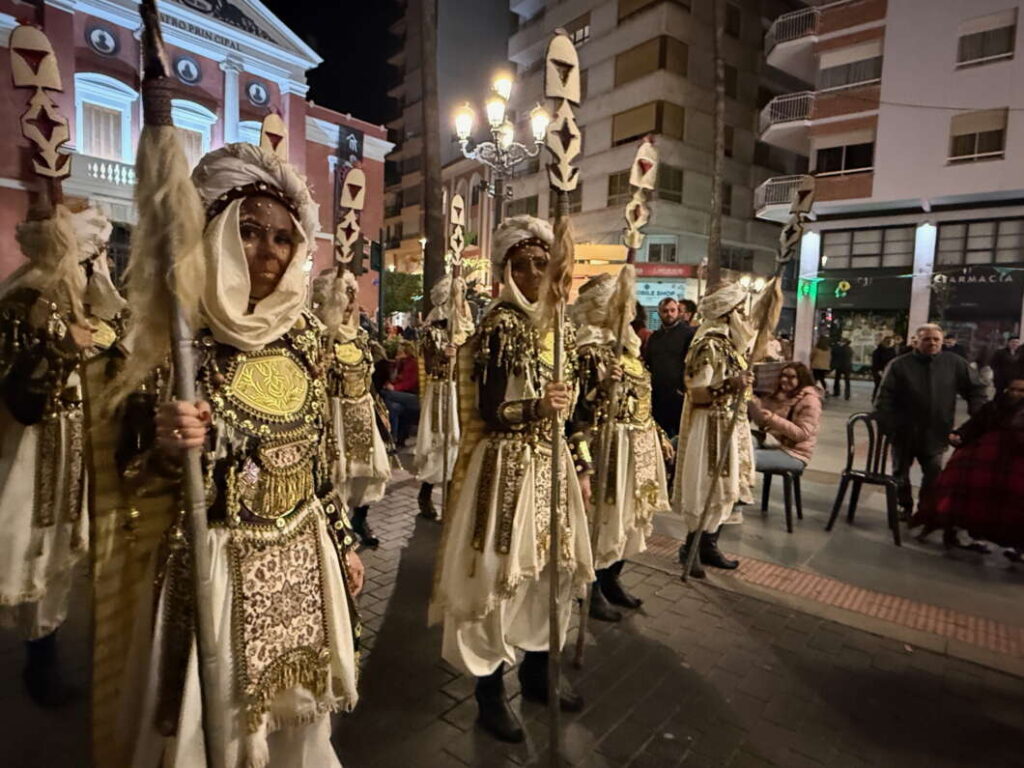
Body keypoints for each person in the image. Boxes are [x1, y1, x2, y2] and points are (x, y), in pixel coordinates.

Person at [122, 143, 363, 767]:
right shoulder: (176, 338)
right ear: (216, 231)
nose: (268, 251)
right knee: (218, 731)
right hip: (217, 568)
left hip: (302, 557)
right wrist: (167, 445)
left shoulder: (305, 337)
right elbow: (127, 473)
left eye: (283, 238)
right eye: (250, 231)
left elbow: (314, 461)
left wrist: (342, 540)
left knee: (300, 726)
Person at [430, 215, 594, 743]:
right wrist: (539, 408)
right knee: (499, 577)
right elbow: (495, 410)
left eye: (540, 265)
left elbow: (570, 406)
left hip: (551, 464)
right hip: (505, 469)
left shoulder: (557, 328)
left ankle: (539, 674)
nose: (530, 274)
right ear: (504, 270)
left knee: (552, 572)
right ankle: (489, 693)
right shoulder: (501, 325)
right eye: (519, 265)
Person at [0, 205, 123, 706]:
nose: (100, 266)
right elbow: (19, 395)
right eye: (93, 256)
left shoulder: (80, 304)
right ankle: (40, 665)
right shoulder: (23, 299)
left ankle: (43, 656)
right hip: (30, 456)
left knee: (55, 556)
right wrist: (58, 348)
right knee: (31, 550)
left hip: (72, 451)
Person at [572, 272, 673, 623]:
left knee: (629, 519)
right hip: (607, 447)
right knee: (604, 521)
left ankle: (613, 578)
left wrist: (657, 433)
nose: (630, 311)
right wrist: (601, 389)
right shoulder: (589, 351)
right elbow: (578, 412)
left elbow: (640, 399)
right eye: (622, 304)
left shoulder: (628, 349)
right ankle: (591, 589)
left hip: (637, 445)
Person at [672, 282, 757, 579]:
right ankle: (690, 547)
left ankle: (709, 545)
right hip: (709, 426)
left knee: (725, 487)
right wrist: (731, 385)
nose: (745, 317)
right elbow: (696, 393)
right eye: (741, 311)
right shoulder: (708, 344)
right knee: (705, 485)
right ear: (729, 313)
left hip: (729, 425)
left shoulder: (732, 346)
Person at [875, 323, 987, 520]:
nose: (932, 343)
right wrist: (889, 428)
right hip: (904, 431)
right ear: (917, 341)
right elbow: (884, 399)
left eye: (936, 339)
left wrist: (977, 415)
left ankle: (926, 509)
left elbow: (975, 389)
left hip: (937, 431)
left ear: (942, 341)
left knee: (934, 474)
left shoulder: (954, 363)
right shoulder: (899, 365)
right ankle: (904, 505)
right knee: (900, 472)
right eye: (927, 339)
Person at [317, 270, 393, 548]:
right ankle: (337, 527)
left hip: (361, 411)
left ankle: (360, 518)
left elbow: (371, 376)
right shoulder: (317, 336)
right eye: (342, 298)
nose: (349, 305)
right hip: (332, 415)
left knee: (366, 472)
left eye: (352, 297)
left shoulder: (361, 337)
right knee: (337, 475)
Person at [912, 375, 1024, 557]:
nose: (1015, 394)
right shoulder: (994, 407)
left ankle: (1016, 544)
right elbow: (974, 425)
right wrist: (960, 435)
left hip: (1014, 461)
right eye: (1013, 389)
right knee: (962, 482)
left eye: (1021, 391)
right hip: (986, 458)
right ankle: (963, 531)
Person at [414, 274, 475, 520]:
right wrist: (444, 355)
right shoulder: (434, 329)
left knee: (461, 445)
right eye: (458, 296)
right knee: (441, 442)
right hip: (443, 391)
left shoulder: (469, 329)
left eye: (463, 295)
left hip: (465, 392)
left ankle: (454, 495)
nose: (463, 302)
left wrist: (463, 352)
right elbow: (428, 365)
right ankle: (426, 492)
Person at [747, 363, 822, 472]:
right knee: (740, 441)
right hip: (774, 441)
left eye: (791, 377)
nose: (784, 379)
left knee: (745, 458)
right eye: (783, 375)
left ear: (801, 379)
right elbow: (762, 423)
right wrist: (754, 407)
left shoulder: (810, 401)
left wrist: (773, 419)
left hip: (794, 453)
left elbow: (802, 434)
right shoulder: (781, 395)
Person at [644, 297, 696, 437]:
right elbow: (648, 362)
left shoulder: (688, 334)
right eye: (665, 311)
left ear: (678, 312)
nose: (669, 314)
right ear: (659, 313)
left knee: (681, 435)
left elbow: (692, 363)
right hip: (658, 396)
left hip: (679, 395)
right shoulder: (655, 337)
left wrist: (685, 388)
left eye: (672, 310)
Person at [383, 340, 420, 446]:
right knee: (393, 407)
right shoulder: (400, 364)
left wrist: (394, 388)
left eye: (400, 352)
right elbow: (394, 379)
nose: (397, 354)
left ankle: (392, 437)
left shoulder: (412, 363)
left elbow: (410, 383)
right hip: (401, 396)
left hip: (412, 396)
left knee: (386, 394)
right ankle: (394, 437)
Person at [871, 336, 897, 400]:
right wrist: (879, 371)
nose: (890, 343)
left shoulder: (892, 350)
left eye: (891, 342)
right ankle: (876, 399)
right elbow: (875, 362)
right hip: (879, 371)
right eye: (889, 342)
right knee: (879, 386)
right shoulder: (879, 351)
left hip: (889, 371)